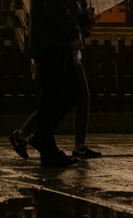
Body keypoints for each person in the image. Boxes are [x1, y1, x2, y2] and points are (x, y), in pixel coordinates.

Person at [9, 0, 102, 162]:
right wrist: (73, 31)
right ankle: (47, 148)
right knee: (52, 94)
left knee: (72, 92)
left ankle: (42, 138)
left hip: (59, 41)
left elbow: (65, 7)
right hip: (50, 41)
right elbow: (54, 5)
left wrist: (82, 20)